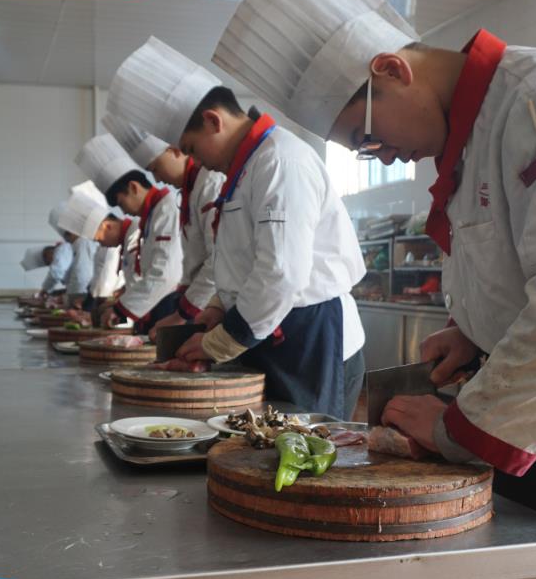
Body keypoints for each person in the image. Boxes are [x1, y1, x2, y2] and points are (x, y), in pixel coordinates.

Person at [213, 0, 536, 531]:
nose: (382, 156)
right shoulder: (471, 137)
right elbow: (523, 263)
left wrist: (455, 428)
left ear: (392, 69)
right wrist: (471, 331)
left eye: (366, 137)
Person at [107, 37, 367, 419]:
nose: (195, 161)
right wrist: (217, 308)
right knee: (261, 440)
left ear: (213, 121)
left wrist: (218, 343)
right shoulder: (245, 170)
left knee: (302, 446)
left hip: (310, 336)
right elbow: (240, 261)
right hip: (267, 326)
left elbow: (281, 274)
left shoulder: (280, 162)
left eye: (191, 149)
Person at [102, 113, 226, 333]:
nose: (158, 179)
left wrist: (183, 314)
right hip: (194, 300)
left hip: (205, 303)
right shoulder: (187, 192)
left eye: (156, 169)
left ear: (175, 151)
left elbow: (215, 260)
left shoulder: (207, 184)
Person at [75, 135, 182, 333]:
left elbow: (165, 273)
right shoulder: (150, 217)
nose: (123, 212)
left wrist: (121, 309)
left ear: (133, 187)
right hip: (154, 303)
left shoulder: (166, 210)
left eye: (121, 203)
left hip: (169, 304)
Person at [52, 180, 140, 323]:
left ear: (107, 226)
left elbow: (111, 279)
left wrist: (104, 307)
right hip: (122, 305)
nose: (99, 244)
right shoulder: (117, 241)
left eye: (98, 239)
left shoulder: (136, 233)